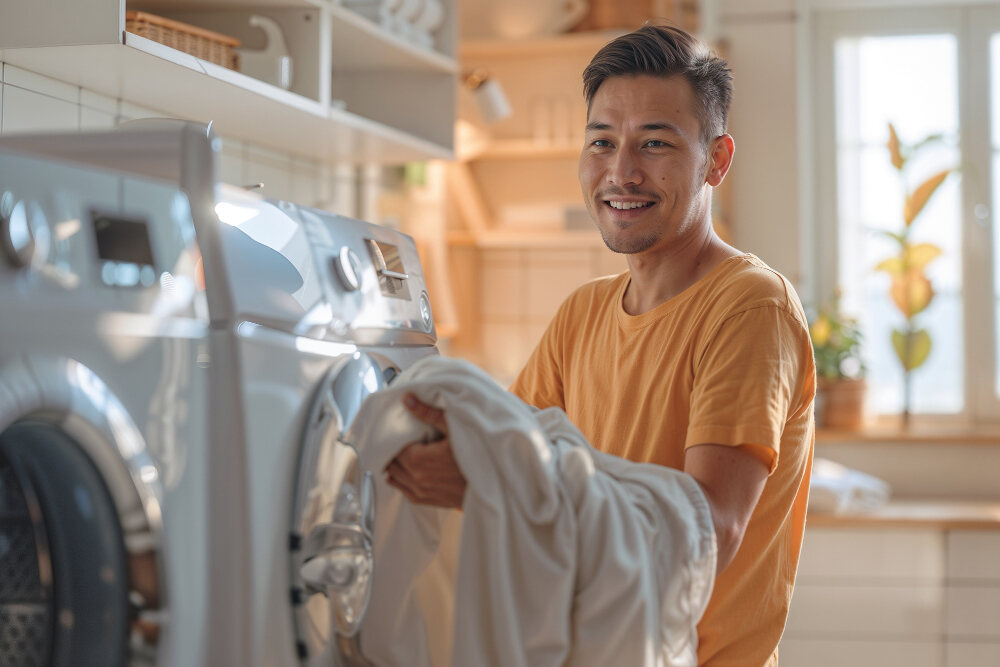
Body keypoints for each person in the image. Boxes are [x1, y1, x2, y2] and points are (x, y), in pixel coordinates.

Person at [385, 23, 815, 667]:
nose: (622, 172)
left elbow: (710, 532)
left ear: (717, 160)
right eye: (602, 142)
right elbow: (510, 446)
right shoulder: (582, 314)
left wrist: (488, 480)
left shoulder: (749, 306)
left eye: (655, 143)